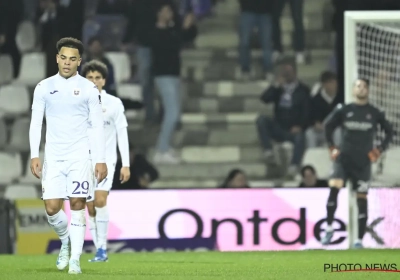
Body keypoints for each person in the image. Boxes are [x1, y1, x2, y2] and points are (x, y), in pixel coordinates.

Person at [29, 37, 108, 274]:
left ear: (79, 61)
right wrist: (34, 155)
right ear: (57, 58)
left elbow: (96, 126)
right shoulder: (43, 87)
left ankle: (75, 260)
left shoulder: (88, 88)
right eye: (63, 57)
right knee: (52, 208)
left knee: (77, 203)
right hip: (53, 156)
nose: (67, 62)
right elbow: (35, 123)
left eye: (72, 59)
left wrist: (100, 159)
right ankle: (66, 240)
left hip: (79, 157)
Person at [321, 78, 393, 248]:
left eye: (364, 87)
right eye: (358, 86)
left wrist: (379, 149)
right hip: (343, 159)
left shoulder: (374, 113)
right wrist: (332, 147)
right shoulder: (344, 110)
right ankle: (329, 227)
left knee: (361, 198)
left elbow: (390, 132)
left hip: (363, 162)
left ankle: (359, 240)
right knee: (334, 188)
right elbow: (327, 126)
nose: (361, 89)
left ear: (368, 90)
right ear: (353, 90)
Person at [81, 60, 130, 262]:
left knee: (100, 200)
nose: (94, 81)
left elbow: (122, 133)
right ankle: (98, 246)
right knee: (90, 207)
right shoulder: (75, 103)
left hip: (106, 161)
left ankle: (102, 249)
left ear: (104, 81)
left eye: (97, 78)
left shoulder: (114, 103)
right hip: (82, 162)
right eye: (90, 78)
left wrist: (125, 164)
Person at [150, 3, 197, 164]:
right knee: (172, 113)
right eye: (164, 11)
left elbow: (185, 38)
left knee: (174, 113)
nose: (168, 14)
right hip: (163, 75)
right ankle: (161, 150)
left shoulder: (172, 30)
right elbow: (167, 47)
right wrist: (183, 29)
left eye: (169, 11)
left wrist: (190, 26)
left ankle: (165, 146)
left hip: (174, 75)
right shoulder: (155, 32)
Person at [306, 71, 340, 148]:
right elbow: (310, 117)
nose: (334, 85)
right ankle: (313, 157)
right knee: (309, 133)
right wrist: (315, 124)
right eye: (331, 83)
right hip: (321, 130)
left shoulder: (341, 98)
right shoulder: (315, 100)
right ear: (324, 84)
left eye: (335, 82)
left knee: (338, 132)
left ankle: (338, 157)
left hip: (336, 129)